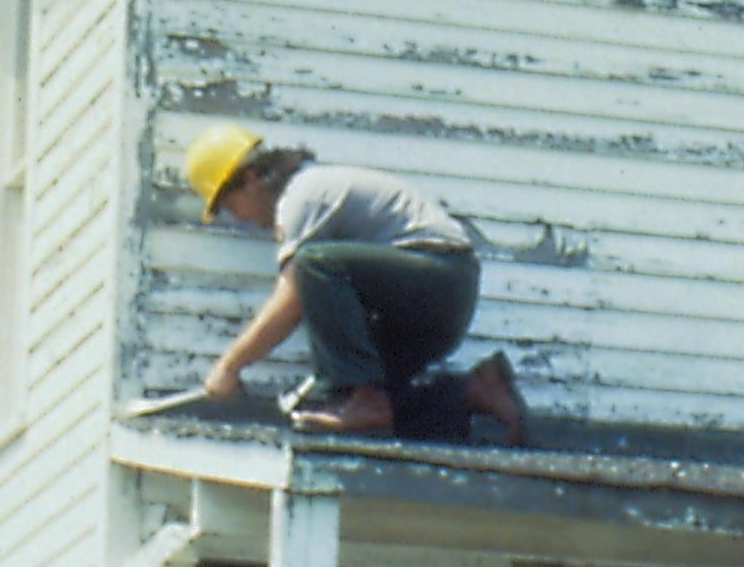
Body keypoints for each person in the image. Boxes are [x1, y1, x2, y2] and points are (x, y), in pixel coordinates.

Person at [185, 124, 528, 443]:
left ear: (251, 179)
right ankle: (474, 392)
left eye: (232, 206)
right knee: (324, 406)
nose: (240, 219)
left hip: (439, 279)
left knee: (314, 265)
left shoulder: (301, 196)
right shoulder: (304, 196)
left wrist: (229, 367)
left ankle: (366, 400)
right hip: (427, 300)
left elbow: (291, 299)